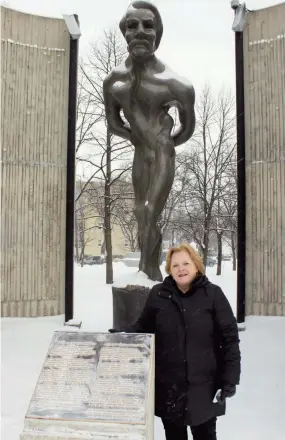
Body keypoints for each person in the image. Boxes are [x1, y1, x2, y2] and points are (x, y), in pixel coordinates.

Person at [110, 243, 241, 440]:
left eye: (186, 263)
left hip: (204, 388)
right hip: (169, 388)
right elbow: (143, 328)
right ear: (169, 270)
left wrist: (230, 379)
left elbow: (230, 339)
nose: (181, 269)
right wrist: (122, 334)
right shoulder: (158, 294)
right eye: (175, 265)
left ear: (196, 266)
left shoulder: (213, 294)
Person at [103, 2, 195, 281]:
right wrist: (137, 138)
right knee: (140, 213)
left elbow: (187, 128)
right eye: (133, 26)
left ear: (157, 33)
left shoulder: (175, 85)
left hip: (162, 151)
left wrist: (163, 142)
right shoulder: (114, 82)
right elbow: (113, 123)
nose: (140, 31)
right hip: (140, 153)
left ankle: (148, 272)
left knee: (150, 210)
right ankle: (149, 272)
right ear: (125, 33)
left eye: (148, 25)